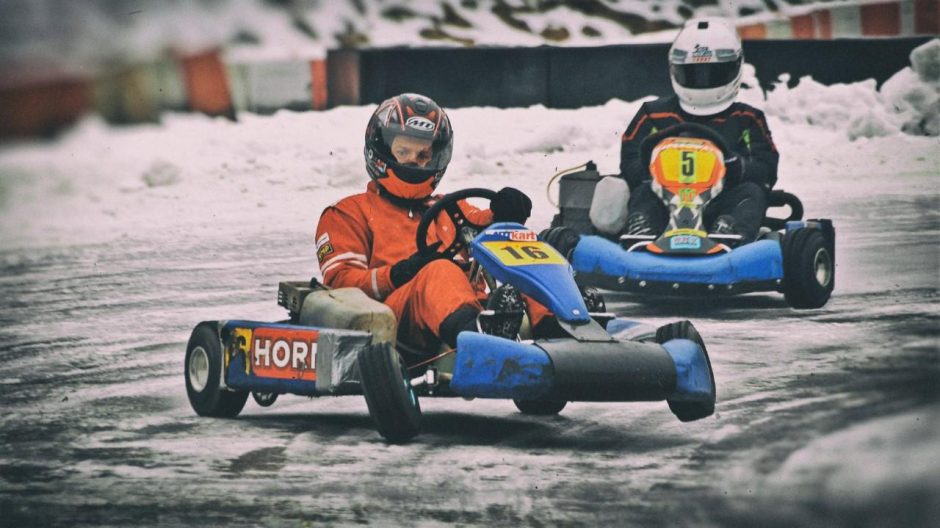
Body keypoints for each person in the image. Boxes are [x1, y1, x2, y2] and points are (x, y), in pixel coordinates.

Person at [315, 93, 535, 354]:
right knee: (439, 269)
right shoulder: (347, 213)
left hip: (469, 309)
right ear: (381, 151)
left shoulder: (449, 207)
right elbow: (340, 284)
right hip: (395, 320)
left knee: (528, 255)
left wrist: (505, 214)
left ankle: (563, 329)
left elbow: (483, 225)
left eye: (423, 155)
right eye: (403, 151)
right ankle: (481, 342)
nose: (413, 161)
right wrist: (397, 273)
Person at [620, 17, 779, 243]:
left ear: (734, 68)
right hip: (662, 202)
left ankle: (730, 234)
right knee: (643, 192)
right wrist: (654, 169)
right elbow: (629, 160)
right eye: (693, 73)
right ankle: (642, 231)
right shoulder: (653, 114)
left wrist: (736, 167)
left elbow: (766, 169)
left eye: (713, 73)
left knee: (751, 193)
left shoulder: (747, 119)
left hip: (722, 203)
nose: (702, 81)